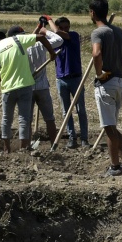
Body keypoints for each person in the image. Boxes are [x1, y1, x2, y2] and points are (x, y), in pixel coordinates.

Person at [0, 21, 64, 153]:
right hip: (27, 85)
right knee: (27, 118)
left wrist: (4, 88)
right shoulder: (18, 41)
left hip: (9, 88)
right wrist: (51, 51)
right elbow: (45, 38)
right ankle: (25, 148)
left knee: (7, 119)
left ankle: (7, 148)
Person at [88, 0, 122, 176]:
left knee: (108, 128)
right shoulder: (119, 31)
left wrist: (99, 73)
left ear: (92, 12)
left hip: (105, 84)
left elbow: (96, 54)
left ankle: (115, 167)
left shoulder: (98, 33)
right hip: (118, 83)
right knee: (113, 127)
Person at [7, 23, 58, 143]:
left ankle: (26, 145)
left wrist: (39, 27)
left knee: (26, 120)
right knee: (49, 119)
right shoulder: (39, 45)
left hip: (26, 88)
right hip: (42, 87)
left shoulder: (16, 50)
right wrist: (44, 30)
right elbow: (57, 40)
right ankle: (53, 144)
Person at [54, 16, 88, 147]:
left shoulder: (73, 35)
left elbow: (58, 33)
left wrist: (50, 22)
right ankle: (71, 137)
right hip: (61, 79)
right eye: (62, 28)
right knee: (66, 111)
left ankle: (84, 138)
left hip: (75, 78)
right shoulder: (55, 41)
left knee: (81, 110)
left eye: (67, 27)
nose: (65, 30)